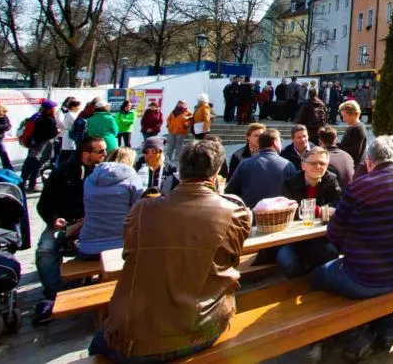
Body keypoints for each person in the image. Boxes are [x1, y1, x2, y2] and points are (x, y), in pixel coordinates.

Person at [89, 139, 252, 362]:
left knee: (98, 343)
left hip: (133, 338)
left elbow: (128, 253)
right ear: (214, 175)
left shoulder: (142, 209)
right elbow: (233, 255)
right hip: (203, 327)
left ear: (180, 172)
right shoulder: (234, 210)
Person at [308, 137, 393, 361]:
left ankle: (355, 332)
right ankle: (382, 326)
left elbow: (334, 235)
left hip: (365, 278)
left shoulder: (359, 187)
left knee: (316, 275)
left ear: (370, 161)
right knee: (371, 270)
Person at [33, 135, 107, 325]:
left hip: (93, 222)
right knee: (45, 248)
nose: (105, 154)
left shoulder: (102, 172)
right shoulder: (63, 173)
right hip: (66, 222)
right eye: (100, 151)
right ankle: (54, 293)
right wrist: (53, 219)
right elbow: (44, 204)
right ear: (86, 154)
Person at [278, 147, 341, 277]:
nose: (318, 166)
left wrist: (309, 209)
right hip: (293, 237)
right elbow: (286, 211)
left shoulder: (331, 179)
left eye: (322, 163)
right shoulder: (290, 183)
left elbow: (338, 204)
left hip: (319, 236)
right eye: (313, 163)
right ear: (303, 165)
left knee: (331, 254)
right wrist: (320, 210)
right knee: (290, 264)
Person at [76, 147, 145, 258]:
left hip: (87, 245)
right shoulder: (132, 179)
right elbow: (140, 209)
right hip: (120, 245)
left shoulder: (90, 180)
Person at [225, 128, 297, 209]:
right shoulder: (288, 165)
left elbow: (229, 192)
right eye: (280, 141)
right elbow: (296, 193)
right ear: (275, 143)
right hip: (280, 216)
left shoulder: (244, 164)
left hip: (251, 215)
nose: (281, 144)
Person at [21, 99, 60, 191]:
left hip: (35, 144)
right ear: (50, 109)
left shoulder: (38, 117)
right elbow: (52, 133)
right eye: (54, 107)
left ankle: (23, 181)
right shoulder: (49, 120)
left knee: (30, 163)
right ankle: (32, 184)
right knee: (36, 164)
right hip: (43, 145)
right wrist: (57, 131)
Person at [338, 100, 368, 165]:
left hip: (354, 167)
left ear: (354, 114)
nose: (343, 119)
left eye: (345, 116)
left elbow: (355, 153)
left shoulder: (358, 129)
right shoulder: (354, 127)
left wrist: (336, 145)